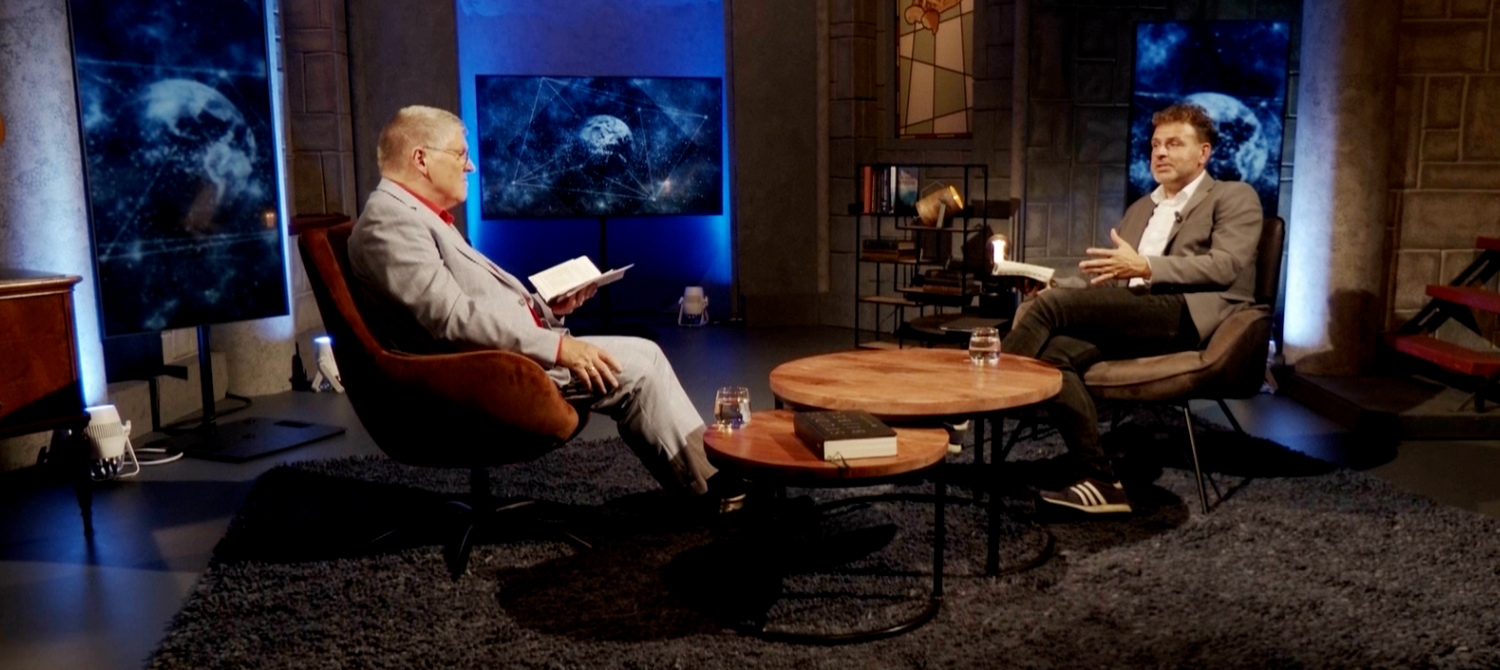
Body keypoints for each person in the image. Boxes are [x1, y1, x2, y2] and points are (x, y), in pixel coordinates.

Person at [346, 105, 740, 513]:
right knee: (642, 367)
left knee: (646, 356)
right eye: (461, 154)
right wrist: (558, 348)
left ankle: (711, 477)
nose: (472, 166)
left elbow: (465, 305)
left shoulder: (413, 216)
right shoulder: (390, 224)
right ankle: (710, 494)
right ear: (420, 159)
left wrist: (544, 308)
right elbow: (453, 321)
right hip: (475, 376)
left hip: (495, 358)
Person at [1004, 102, 1263, 514]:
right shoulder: (1141, 208)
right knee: (1054, 354)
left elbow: (1226, 265)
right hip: (1134, 314)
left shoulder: (1233, 197)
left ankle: (976, 398)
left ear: (1203, 153)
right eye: (1156, 144)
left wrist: (1146, 266)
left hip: (1184, 314)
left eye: (1174, 143)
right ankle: (1101, 479)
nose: (1159, 152)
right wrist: (1052, 284)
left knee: (1051, 310)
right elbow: (1110, 284)